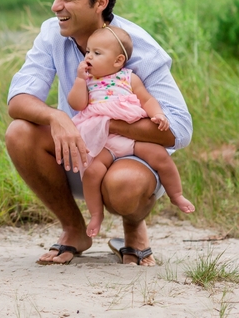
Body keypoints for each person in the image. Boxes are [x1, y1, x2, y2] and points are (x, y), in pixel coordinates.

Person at [5, 0, 192, 266]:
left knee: (125, 185)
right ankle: (74, 229)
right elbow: (18, 100)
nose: (55, 6)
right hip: (83, 153)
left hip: (132, 159)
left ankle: (134, 228)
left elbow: (180, 131)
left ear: (100, 3)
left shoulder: (139, 48)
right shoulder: (53, 34)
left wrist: (108, 124)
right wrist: (57, 116)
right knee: (20, 133)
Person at [67, 26, 195, 238]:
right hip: (106, 142)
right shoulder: (88, 82)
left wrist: (158, 115)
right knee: (92, 174)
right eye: (88, 51)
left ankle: (177, 195)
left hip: (133, 138)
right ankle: (96, 214)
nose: (89, 56)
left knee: (161, 158)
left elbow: (147, 99)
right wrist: (80, 80)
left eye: (97, 53)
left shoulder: (128, 78)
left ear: (118, 61)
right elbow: (77, 104)